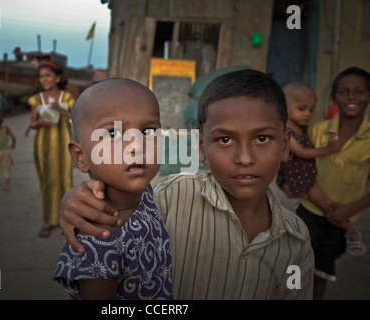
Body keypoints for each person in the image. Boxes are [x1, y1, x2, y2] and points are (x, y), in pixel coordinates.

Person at [57, 69, 315, 299]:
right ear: (201, 147)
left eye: (262, 138)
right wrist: (75, 199)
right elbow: (119, 198)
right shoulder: (170, 198)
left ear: (285, 144)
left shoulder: (297, 239)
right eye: (225, 140)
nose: (245, 159)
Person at [53, 78, 172, 300]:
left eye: (148, 131)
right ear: (81, 157)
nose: (137, 145)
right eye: (114, 134)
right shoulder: (97, 235)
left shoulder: (144, 193)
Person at [295, 66, 370, 300]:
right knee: (296, 266)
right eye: (344, 92)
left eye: (359, 92)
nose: (352, 98)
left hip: (340, 220)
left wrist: (350, 209)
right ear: (333, 97)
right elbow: (302, 169)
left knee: (322, 272)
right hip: (308, 212)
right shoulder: (317, 131)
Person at [275, 83, 366, 256]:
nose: (308, 114)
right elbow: (302, 152)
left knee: (324, 204)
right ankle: (351, 231)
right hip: (300, 178)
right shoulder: (285, 129)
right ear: (284, 106)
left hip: (306, 174)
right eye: (302, 109)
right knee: (327, 204)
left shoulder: (302, 127)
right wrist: (330, 149)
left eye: (311, 110)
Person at [28, 61, 75, 237]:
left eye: (47, 76)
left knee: (65, 180)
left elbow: (75, 115)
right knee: (47, 180)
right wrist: (39, 122)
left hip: (63, 144)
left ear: (57, 78)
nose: (44, 79)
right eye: (41, 77)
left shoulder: (67, 98)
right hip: (43, 145)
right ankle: (48, 220)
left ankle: (67, 221)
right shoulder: (36, 99)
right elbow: (32, 124)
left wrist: (60, 110)